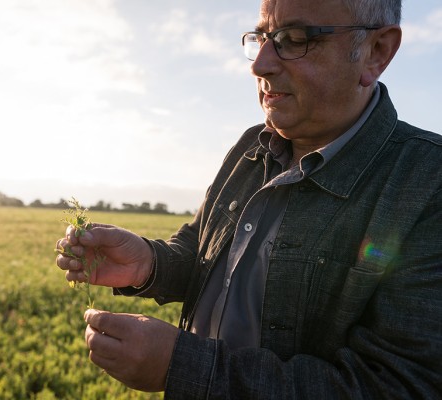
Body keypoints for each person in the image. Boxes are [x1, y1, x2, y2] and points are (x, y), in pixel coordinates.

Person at [55, 0, 442, 397]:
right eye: (261, 38)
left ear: (376, 52)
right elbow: (204, 253)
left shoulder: (428, 184)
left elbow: (399, 386)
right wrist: (149, 264)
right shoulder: (250, 146)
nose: (260, 65)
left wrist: (183, 367)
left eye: (294, 39)